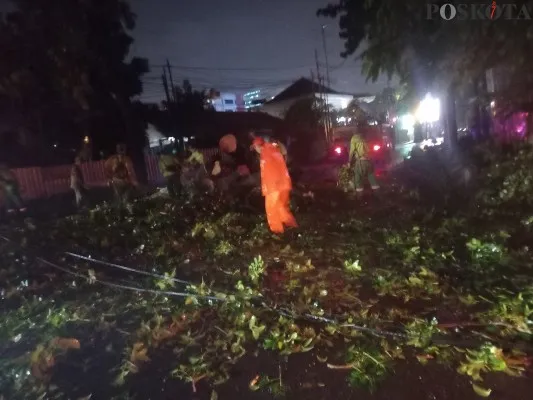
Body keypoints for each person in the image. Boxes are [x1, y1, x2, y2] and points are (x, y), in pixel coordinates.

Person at [251, 137, 297, 234]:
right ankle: (291, 225)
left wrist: (267, 187)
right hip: (284, 184)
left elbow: (269, 171)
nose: (255, 150)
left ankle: (277, 232)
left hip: (273, 186)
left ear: (257, 146)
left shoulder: (265, 152)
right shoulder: (274, 149)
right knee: (281, 207)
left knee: (271, 209)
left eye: (255, 147)